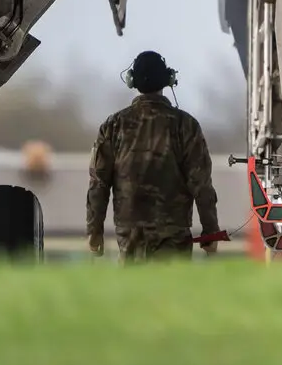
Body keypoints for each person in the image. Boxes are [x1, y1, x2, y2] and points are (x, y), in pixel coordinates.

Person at [86, 51, 223, 261]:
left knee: (132, 292)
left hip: (129, 230)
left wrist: (94, 231)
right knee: (173, 291)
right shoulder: (186, 125)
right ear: (168, 80)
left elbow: (99, 183)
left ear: (132, 81)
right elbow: (201, 183)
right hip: (174, 232)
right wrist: (210, 231)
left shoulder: (113, 125)